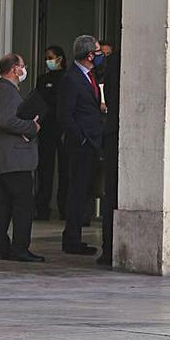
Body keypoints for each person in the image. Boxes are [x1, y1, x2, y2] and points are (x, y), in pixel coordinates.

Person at [56, 35, 105, 256]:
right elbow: (64, 115)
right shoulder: (72, 78)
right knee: (77, 192)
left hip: (93, 143)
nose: (101, 54)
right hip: (81, 146)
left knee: (84, 192)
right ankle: (72, 239)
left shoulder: (89, 76)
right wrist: (81, 138)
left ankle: (75, 237)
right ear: (89, 55)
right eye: (97, 51)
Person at [0, 54, 42, 262]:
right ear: (15, 69)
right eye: (22, 66)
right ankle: (20, 248)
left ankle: (1, 247)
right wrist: (31, 126)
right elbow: (6, 121)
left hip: (6, 160)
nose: (24, 70)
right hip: (15, 159)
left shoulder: (3, 90)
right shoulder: (7, 91)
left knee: (3, 205)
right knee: (23, 205)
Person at [33, 46, 68, 221]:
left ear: (60, 59)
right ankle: (42, 208)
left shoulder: (67, 78)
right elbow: (38, 101)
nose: (48, 61)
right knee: (45, 169)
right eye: (47, 57)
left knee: (65, 170)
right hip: (46, 128)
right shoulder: (43, 79)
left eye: (51, 57)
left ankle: (64, 208)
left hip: (62, 128)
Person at [98, 51, 121, 266]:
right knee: (113, 193)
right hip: (118, 132)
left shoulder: (115, 60)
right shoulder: (122, 59)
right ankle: (110, 248)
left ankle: (109, 248)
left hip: (114, 131)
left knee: (111, 194)